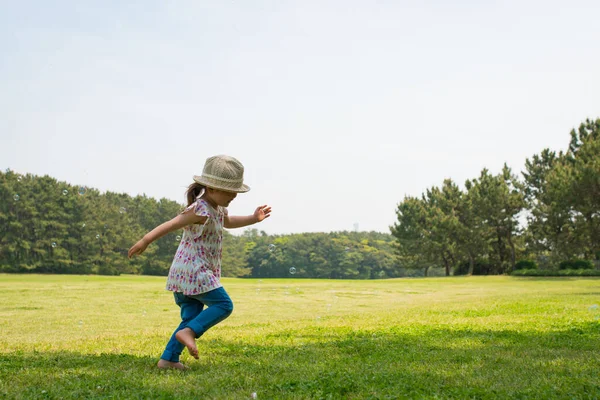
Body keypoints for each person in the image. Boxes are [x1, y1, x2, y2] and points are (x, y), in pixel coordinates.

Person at [128, 154, 271, 370]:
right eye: (230, 190)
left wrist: (253, 219)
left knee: (191, 317)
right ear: (212, 188)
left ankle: (168, 360)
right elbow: (172, 224)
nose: (234, 195)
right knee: (223, 305)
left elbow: (228, 221)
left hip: (188, 275)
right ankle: (189, 333)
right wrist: (145, 240)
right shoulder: (199, 208)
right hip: (195, 272)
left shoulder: (218, 209)